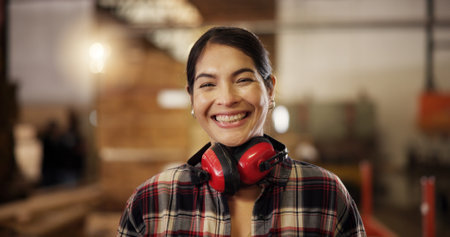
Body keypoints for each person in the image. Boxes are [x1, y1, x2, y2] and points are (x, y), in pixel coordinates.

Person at [117, 26, 366, 237]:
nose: (226, 98)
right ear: (192, 98)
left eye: (243, 80)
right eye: (207, 84)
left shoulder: (326, 193)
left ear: (269, 89)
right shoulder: (151, 202)